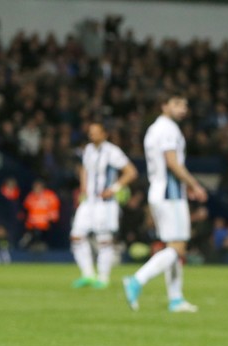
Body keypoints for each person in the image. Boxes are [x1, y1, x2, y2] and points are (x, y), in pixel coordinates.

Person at [123, 93, 208, 312]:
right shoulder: (168, 129)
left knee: (174, 247)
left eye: (185, 104)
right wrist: (194, 185)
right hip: (170, 194)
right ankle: (137, 279)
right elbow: (172, 162)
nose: (182, 109)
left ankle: (176, 299)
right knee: (178, 248)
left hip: (161, 192)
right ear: (164, 105)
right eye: (177, 104)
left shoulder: (155, 128)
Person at [70, 122, 138, 289]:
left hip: (105, 203)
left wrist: (114, 188)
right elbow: (84, 169)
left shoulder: (112, 151)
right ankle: (88, 274)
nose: (92, 136)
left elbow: (131, 172)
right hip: (89, 201)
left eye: (96, 132)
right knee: (76, 236)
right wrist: (83, 187)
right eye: (90, 133)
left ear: (105, 134)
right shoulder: (88, 150)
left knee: (104, 239)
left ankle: (103, 277)